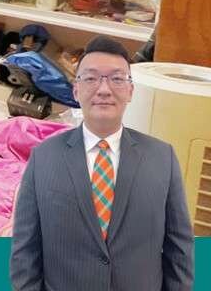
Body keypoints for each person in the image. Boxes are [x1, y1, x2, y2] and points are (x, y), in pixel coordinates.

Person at [10, 36, 194, 291]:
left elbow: (180, 247)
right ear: (76, 90)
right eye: (91, 78)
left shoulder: (163, 158)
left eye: (117, 79)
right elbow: (25, 250)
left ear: (130, 91)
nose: (104, 89)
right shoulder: (43, 157)